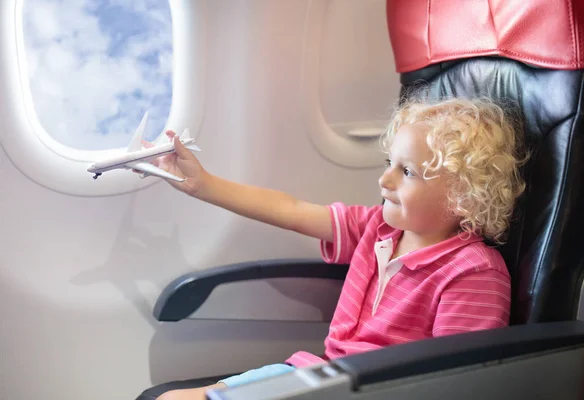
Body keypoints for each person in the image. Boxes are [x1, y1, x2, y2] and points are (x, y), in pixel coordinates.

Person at [145, 97, 528, 400]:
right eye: (388, 163)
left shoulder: (473, 272)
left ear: (464, 195)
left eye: (406, 171)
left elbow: (456, 381)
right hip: (317, 376)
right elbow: (290, 210)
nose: (384, 179)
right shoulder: (376, 230)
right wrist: (203, 184)